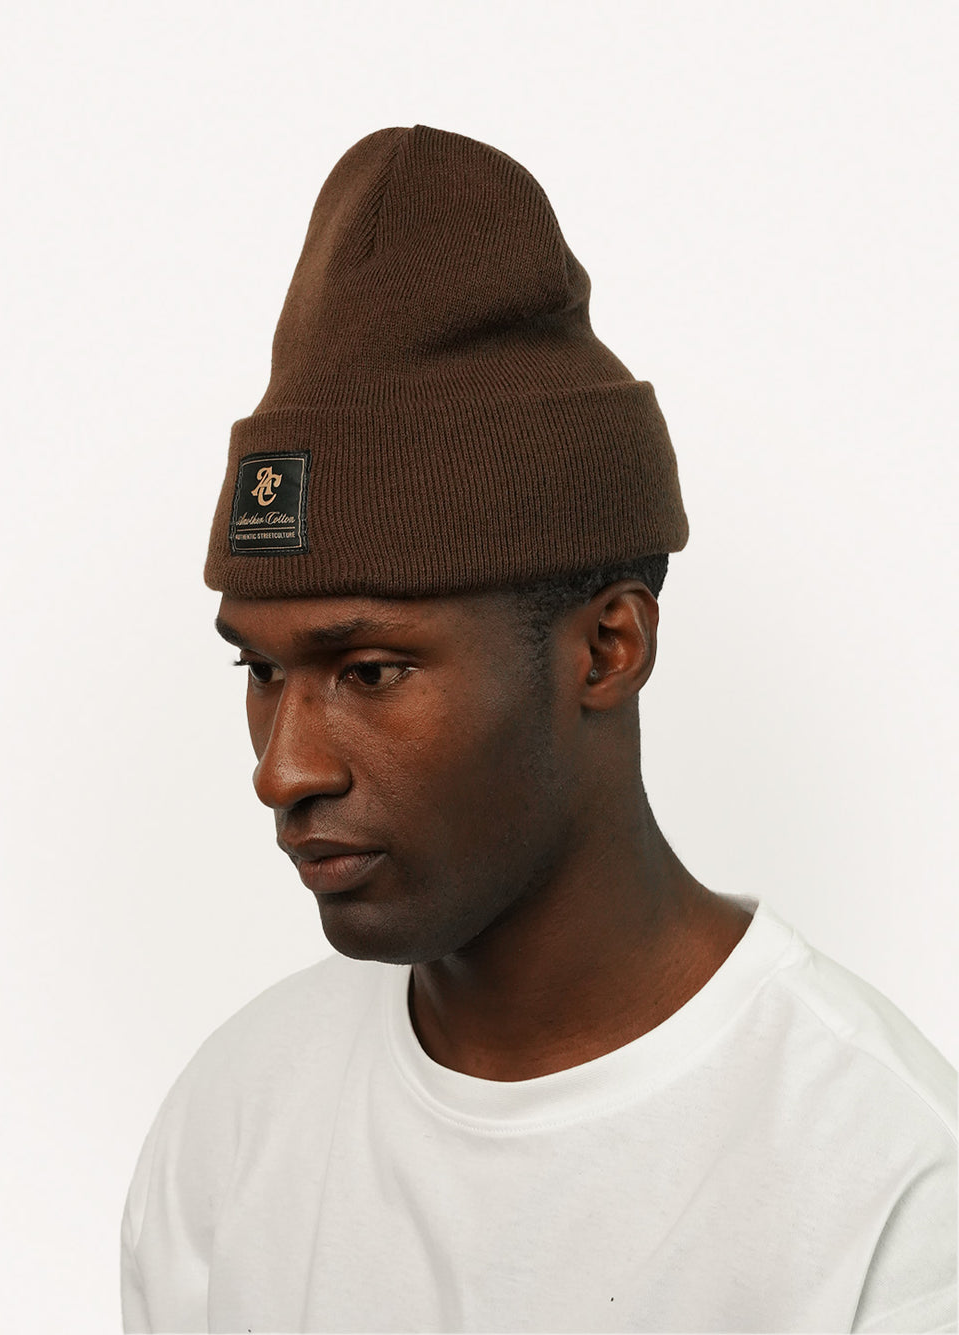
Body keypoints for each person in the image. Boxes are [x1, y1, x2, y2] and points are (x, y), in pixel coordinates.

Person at [121, 125, 956, 1334]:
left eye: (369, 670)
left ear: (606, 648)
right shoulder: (236, 1121)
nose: (282, 767)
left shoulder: (886, 1185)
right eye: (260, 670)